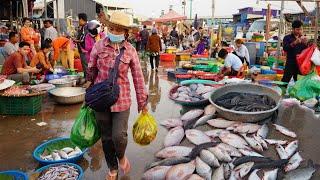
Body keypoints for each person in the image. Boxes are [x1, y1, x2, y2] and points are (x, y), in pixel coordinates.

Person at [84, 11, 148, 180]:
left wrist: (143, 103)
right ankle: (112, 168)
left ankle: (121, 157)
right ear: (107, 27)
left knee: (119, 136)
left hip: (122, 99)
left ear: (126, 32)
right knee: (106, 138)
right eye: (112, 28)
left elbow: (138, 78)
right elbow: (91, 71)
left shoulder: (131, 51)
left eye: (119, 30)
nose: (115, 32)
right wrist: (89, 82)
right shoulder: (98, 46)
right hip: (100, 100)